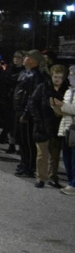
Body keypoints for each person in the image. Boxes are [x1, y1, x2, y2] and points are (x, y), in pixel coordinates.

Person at [33, 63, 66, 188]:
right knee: (42, 154)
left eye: (60, 77)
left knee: (55, 154)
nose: (57, 79)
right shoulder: (42, 88)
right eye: (55, 76)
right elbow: (33, 103)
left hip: (57, 125)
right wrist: (38, 120)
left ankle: (53, 177)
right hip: (42, 124)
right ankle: (41, 178)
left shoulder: (66, 90)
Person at [13, 50, 42, 177]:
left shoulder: (36, 75)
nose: (24, 58)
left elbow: (33, 96)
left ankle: (30, 166)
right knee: (21, 140)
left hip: (27, 112)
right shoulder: (24, 73)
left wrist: (26, 113)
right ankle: (24, 162)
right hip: (19, 109)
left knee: (28, 141)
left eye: (27, 56)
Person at [52, 65, 75, 196]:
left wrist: (63, 105)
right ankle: (70, 181)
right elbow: (64, 111)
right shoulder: (69, 91)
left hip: (74, 128)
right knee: (66, 157)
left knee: (73, 158)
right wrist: (55, 106)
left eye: (73, 73)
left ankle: (74, 184)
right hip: (66, 127)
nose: (71, 76)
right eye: (70, 73)